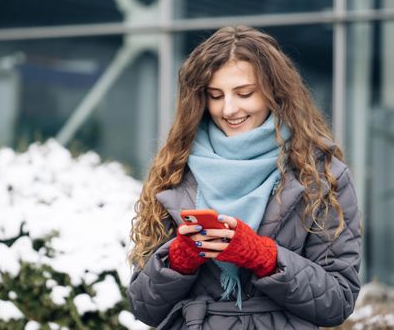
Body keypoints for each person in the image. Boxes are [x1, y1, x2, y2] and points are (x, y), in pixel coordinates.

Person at [127, 26, 361, 329]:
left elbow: (338, 300)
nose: (229, 109)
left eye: (244, 93)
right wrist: (177, 262)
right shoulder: (174, 169)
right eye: (215, 95)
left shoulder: (322, 175)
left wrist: (265, 257)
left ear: (274, 91)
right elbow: (143, 305)